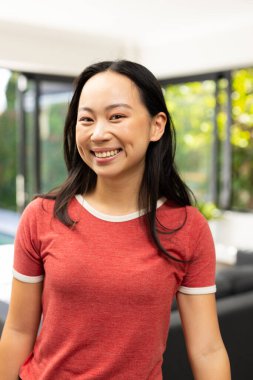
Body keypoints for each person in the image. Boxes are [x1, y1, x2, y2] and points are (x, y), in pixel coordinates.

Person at [0, 60, 231, 380]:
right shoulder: (40, 216)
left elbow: (208, 349)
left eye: (117, 116)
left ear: (156, 125)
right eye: (86, 119)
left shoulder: (187, 227)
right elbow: (17, 331)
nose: (98, 134)